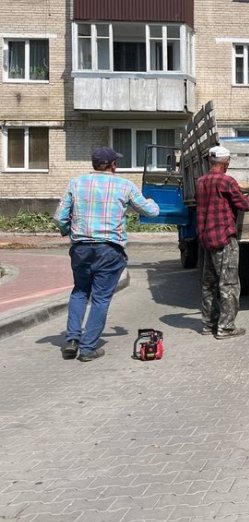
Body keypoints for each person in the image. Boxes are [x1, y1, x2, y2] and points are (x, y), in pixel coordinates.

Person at [54, 146, 160, 362]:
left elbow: (59, 218)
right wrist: (152, 201)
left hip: (81, 248)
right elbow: (149, 211)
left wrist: (69, 231)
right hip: (109, 249)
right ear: (113, 165)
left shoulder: (76, 183)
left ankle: (72, 339)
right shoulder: (124, 185)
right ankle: (87, 348)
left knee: (80, 291)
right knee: (101, 298)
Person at [195, 145, 249, 339]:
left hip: (206, 239)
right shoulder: (227, 181)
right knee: (228, 284)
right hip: (224, 238)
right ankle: (226, 327)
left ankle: (208, 324)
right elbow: (243, 205)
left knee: (208, 284)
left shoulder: (201, 181)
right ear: (226, 162)